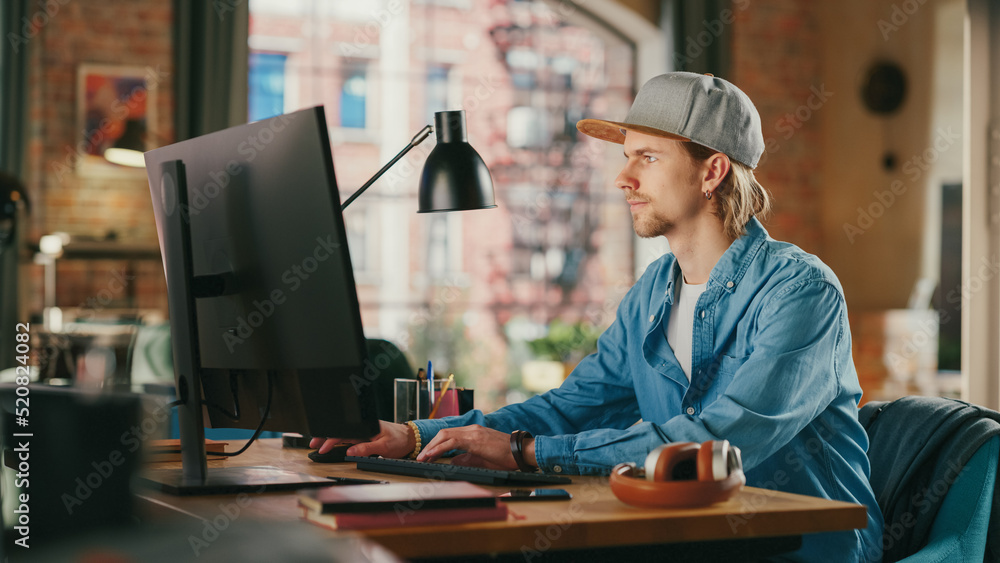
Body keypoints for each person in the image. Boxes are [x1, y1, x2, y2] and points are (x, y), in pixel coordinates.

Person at [312, 72, 884, 561]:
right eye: (625, 155)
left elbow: (714, 448)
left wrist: (523, 452)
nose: (623, 178)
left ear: (712, 173)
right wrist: (415, 436)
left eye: (648, 157)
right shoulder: (653, 292)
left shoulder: (800, 292)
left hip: (806, 549)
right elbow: (571, 407)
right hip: (695, 540)